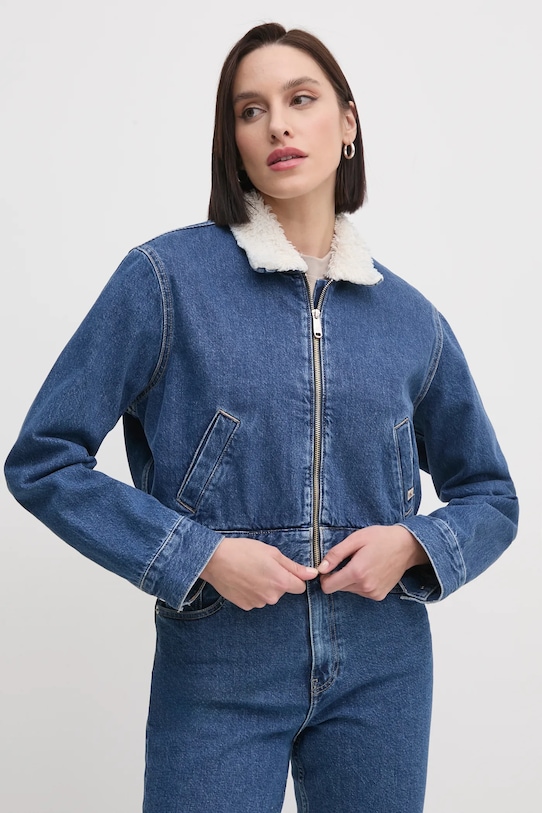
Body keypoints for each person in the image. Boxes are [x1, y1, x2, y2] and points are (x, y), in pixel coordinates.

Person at [4, 21, 518, 813]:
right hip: (220, 661)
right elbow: (44, 459)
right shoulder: (165, 280)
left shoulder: (412, 320)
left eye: (300, 99)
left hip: (384, 667)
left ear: (347, 123)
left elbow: (491, 494)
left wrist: (413, 544)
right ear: (233, 141)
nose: (277, 123)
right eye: (251, 110)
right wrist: (199, 554)